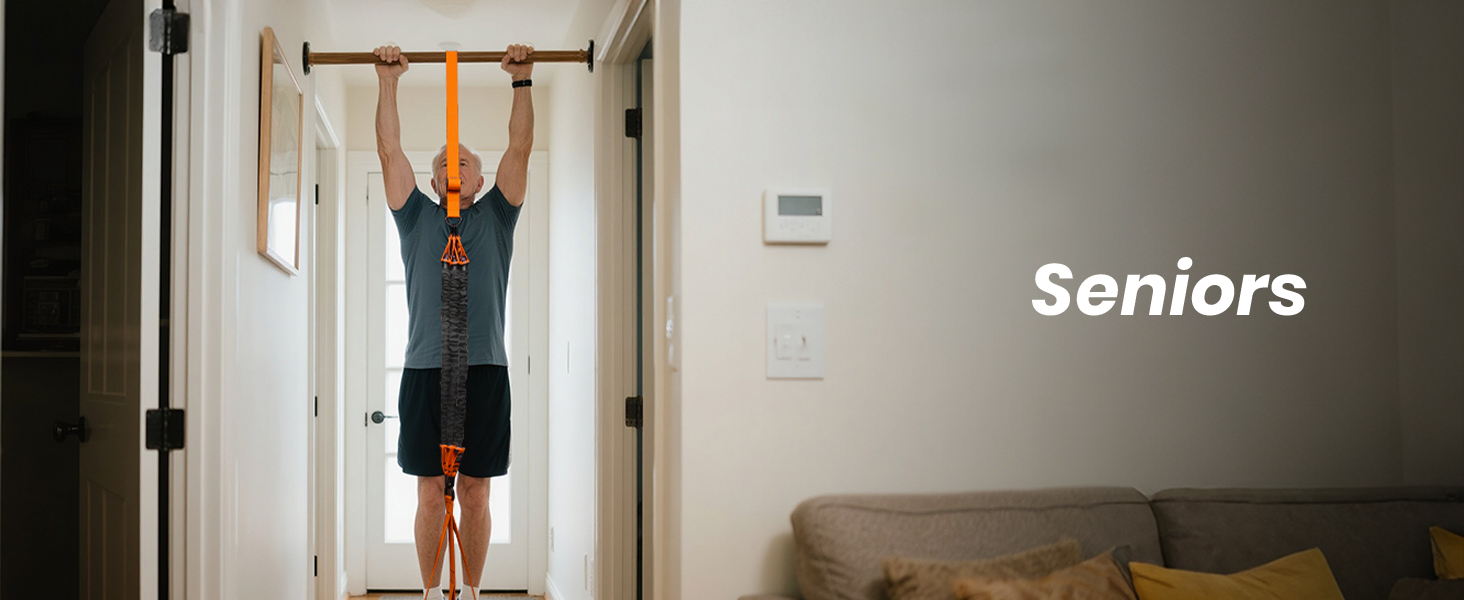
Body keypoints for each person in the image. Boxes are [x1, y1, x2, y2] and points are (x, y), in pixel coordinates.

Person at [373, 42, 535, 600]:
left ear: (480, 177)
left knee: (476, 496)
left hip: (486, 371)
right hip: (426, 372)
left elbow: (520, 145)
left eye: (462, 163)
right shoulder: (414, 216)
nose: (451, 169)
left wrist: (521, 80)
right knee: (426, 496)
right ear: (433, 180)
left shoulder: (498, 215)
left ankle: (469, 590)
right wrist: (388, 81)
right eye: (442, 165)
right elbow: (390, 149)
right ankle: (426, 592)